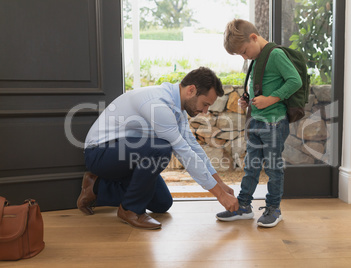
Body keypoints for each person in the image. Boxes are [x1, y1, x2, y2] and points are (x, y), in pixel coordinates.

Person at [77, 67, 239, 230]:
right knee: (161, 149)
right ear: (191, 90)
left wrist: (221, 184)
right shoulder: (159, 103)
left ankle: (96, 187)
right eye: (205, 104)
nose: (205, 111)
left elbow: (193, 147)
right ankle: (130, 210)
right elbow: (184, 153)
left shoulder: (178, 109)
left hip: (124, 155)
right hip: (99, 152)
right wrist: (220, 196)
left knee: (162, 203)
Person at [216, 19, 302, 227]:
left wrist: (271, 99)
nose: (244, 57)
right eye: (240, 55)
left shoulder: (275, 55)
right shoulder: (257, 58)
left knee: (273, 168)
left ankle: (274, 208)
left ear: (254, 38)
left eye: (244, 51)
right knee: (251, 166)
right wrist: (249, 99)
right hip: (255, 121)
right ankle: (244, 206)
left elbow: (295, 81)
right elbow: (262, 85)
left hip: (273, 123)